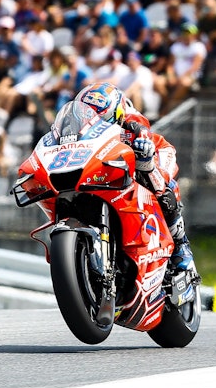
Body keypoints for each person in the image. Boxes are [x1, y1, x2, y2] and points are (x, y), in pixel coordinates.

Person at [71, 82, 196, 278]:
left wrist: (144, 152)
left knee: (160, 183)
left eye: (100, 117)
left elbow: (144, 136)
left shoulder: (133, 122)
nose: (94, 121)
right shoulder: (77, 129)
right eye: (90, 116)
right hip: (110, 165)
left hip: (156, 152)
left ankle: (181, 246)